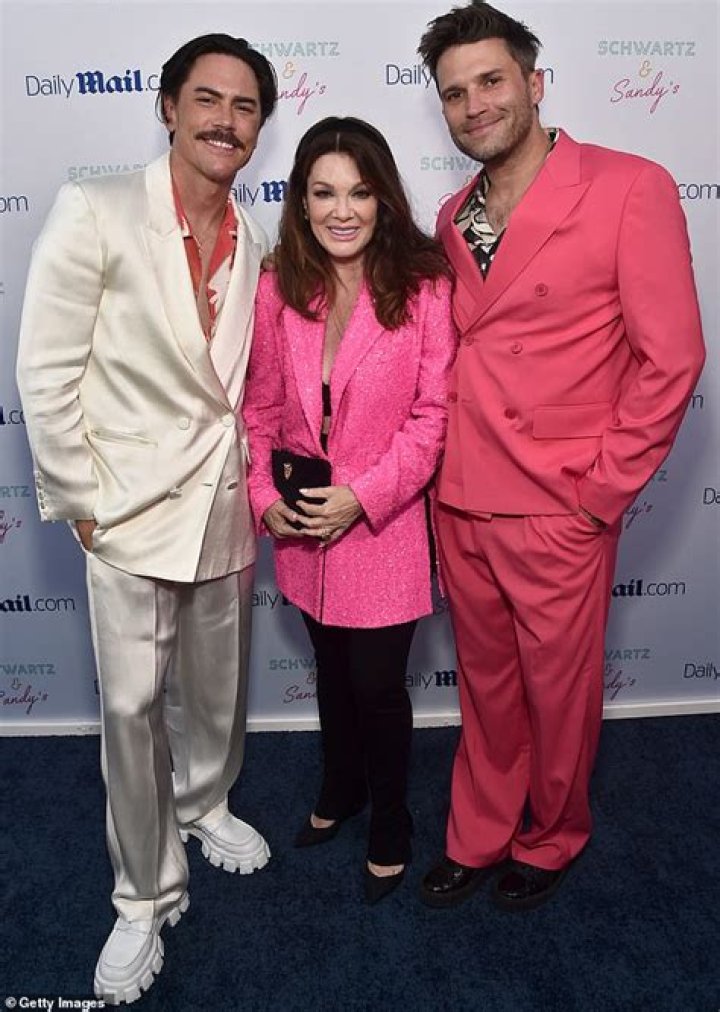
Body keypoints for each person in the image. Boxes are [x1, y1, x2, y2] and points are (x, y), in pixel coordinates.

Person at [416, 1, 705, 911]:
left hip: (557, 504)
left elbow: (673, 357)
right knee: (489, 689)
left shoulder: (629, 185)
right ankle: (479, 830)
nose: (475, 105)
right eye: (456, 93)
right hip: (462, 497)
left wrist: (598, 493)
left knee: (558, 694)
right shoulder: (451, 213)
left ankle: (551, 834)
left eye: (491, 81)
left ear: (535, 85)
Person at [16, 34, 277, 1003]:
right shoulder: (98, 208)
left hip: (219, 508)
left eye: (244, 106)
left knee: (215, 687)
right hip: (122, 513)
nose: (223, 119)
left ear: (258, 126)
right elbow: (45, 369)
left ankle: (205, 801)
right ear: (167, 107)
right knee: (130, 708)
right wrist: (80, 502)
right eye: (206, 99)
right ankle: (142, 891)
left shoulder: (253, 236)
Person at [242, 116, 456, 904]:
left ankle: (391, 820)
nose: (342, 210)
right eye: (324, 192)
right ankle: (341, 790)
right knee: (330, 674)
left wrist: (362, 498)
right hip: (301, 531)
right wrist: (267, 501)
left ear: (382, 198)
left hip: (384, 526)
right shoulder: (276, 288)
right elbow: (259, 410)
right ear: (300, 201)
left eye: (359, 192)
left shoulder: (424, 285)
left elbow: (432, 416)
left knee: (376, 686)